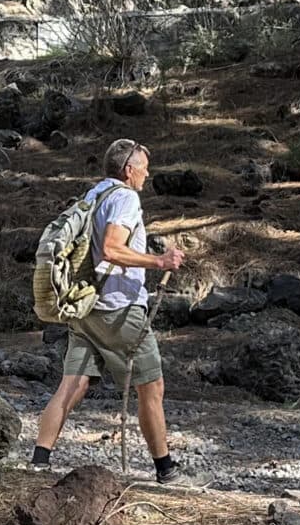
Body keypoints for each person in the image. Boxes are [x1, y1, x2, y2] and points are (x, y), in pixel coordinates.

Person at [32, 137, 188, 481]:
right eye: (144, 169)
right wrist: (159, 261)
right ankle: (165, 469)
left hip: (84, 306)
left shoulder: (93, 195)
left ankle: (39, 459)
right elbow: (112, 249)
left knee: (73, 384)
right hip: (118, 310)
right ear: (129, 170)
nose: (147, 176)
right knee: (152, 386)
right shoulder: (125, 198)